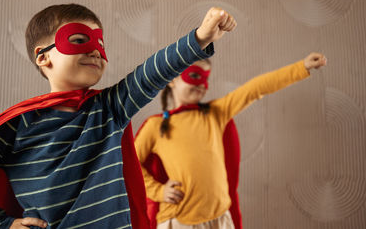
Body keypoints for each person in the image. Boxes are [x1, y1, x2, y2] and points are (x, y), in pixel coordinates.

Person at [0, 4, 236, 229]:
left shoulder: (109, 108)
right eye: (80, 40)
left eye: (100, 43)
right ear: (43, 58)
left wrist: (200, 38)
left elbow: (151, 73)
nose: (96, 49)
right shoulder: (18, 124)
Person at [134, 52, 327, 229]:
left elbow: (254, 89)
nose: (202, 85)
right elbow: (129, 165)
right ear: (173, 79)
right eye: (194, 76)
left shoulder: (216, 113)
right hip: (179, 221)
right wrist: (159, 191)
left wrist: (302, 67)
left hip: (220, 219)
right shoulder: (155, 126)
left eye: (206, 79)